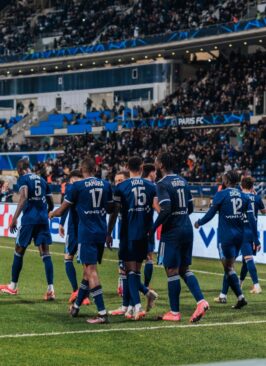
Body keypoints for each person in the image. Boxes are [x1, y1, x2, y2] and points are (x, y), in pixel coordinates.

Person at [49, 158, 114, 324]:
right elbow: (112, 208)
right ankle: (76, 306)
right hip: (101, 231)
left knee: (91, 270)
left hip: (87, 233)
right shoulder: (105, 184)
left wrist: (51, 214)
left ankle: (102, 313)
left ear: (81, 169)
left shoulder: (76, 187)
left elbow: (63, 209)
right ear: (95, 168)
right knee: (87, 271)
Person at [154, 152, 209, 322]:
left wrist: (152, 228)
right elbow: (191, 207)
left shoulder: (162, 183)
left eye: (156, 161)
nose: (155, 163)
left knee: (171, 270)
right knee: (184, 269)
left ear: (161, 165)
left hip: (172, 231)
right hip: (186, 228)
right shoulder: (183, 181)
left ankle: (174, 312)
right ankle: (201, 301)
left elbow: (166, 208)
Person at [195, 170, 261, 309]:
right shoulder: (244, 197)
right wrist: (256, 240)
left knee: (228, 268)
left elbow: (211, 214)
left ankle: (240, 297)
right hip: (239, 237)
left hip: (226, 237)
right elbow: (252, 220)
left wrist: (199, 222)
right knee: (229, 267)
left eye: (224, 178)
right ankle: (225, 296)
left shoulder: (221, 194)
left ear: (227, 181)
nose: (222, 180)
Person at [0, 158, 55, 300]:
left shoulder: (23, 179)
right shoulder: (43, 180)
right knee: (45, 253)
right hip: (42, 220)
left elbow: (23, 197)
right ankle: (50, 289)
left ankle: (12, 286)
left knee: (19, 250)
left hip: (29, 220)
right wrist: (45, 213)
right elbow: (51, 203)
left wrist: (14, 219)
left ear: (20, 170)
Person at [112, 156, 158, 320]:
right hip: (144, 233)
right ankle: (131, 306)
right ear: (142, 167)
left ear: (127, 167)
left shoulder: (121, 187)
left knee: (129, 270)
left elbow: (115, 211)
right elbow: (157, 207)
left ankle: (137, 307)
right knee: (135, 270)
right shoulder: (151, 186)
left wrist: (109, 232)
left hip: (128, 232)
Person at [214, 176, 266, 303]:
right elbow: (264, 212)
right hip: (251, 232)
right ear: (252, 186)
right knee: (246, 261)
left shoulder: (240, 197)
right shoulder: (257, 198)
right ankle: (241, 284)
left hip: (240, 232)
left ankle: (226, 294)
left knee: (231, 265)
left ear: (241, 186)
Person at [58, 169, 90, 306]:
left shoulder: (71, 188)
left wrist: (61, 223)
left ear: (71, 180)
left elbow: (65, 206)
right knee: (86, 263)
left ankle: (76, 290)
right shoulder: (87, 189)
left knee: (68, 258)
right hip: (86, 228)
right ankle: (86, 295)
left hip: (73, 229)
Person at [142, 163, 157, 287]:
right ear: (150, 172)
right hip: (147, 225)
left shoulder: (135, 184)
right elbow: (155, 205)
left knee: (132, 260)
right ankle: (146, 286)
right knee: (149, 257)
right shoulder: (153, 186)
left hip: (133, 225)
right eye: (155, 172)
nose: (156, 175)